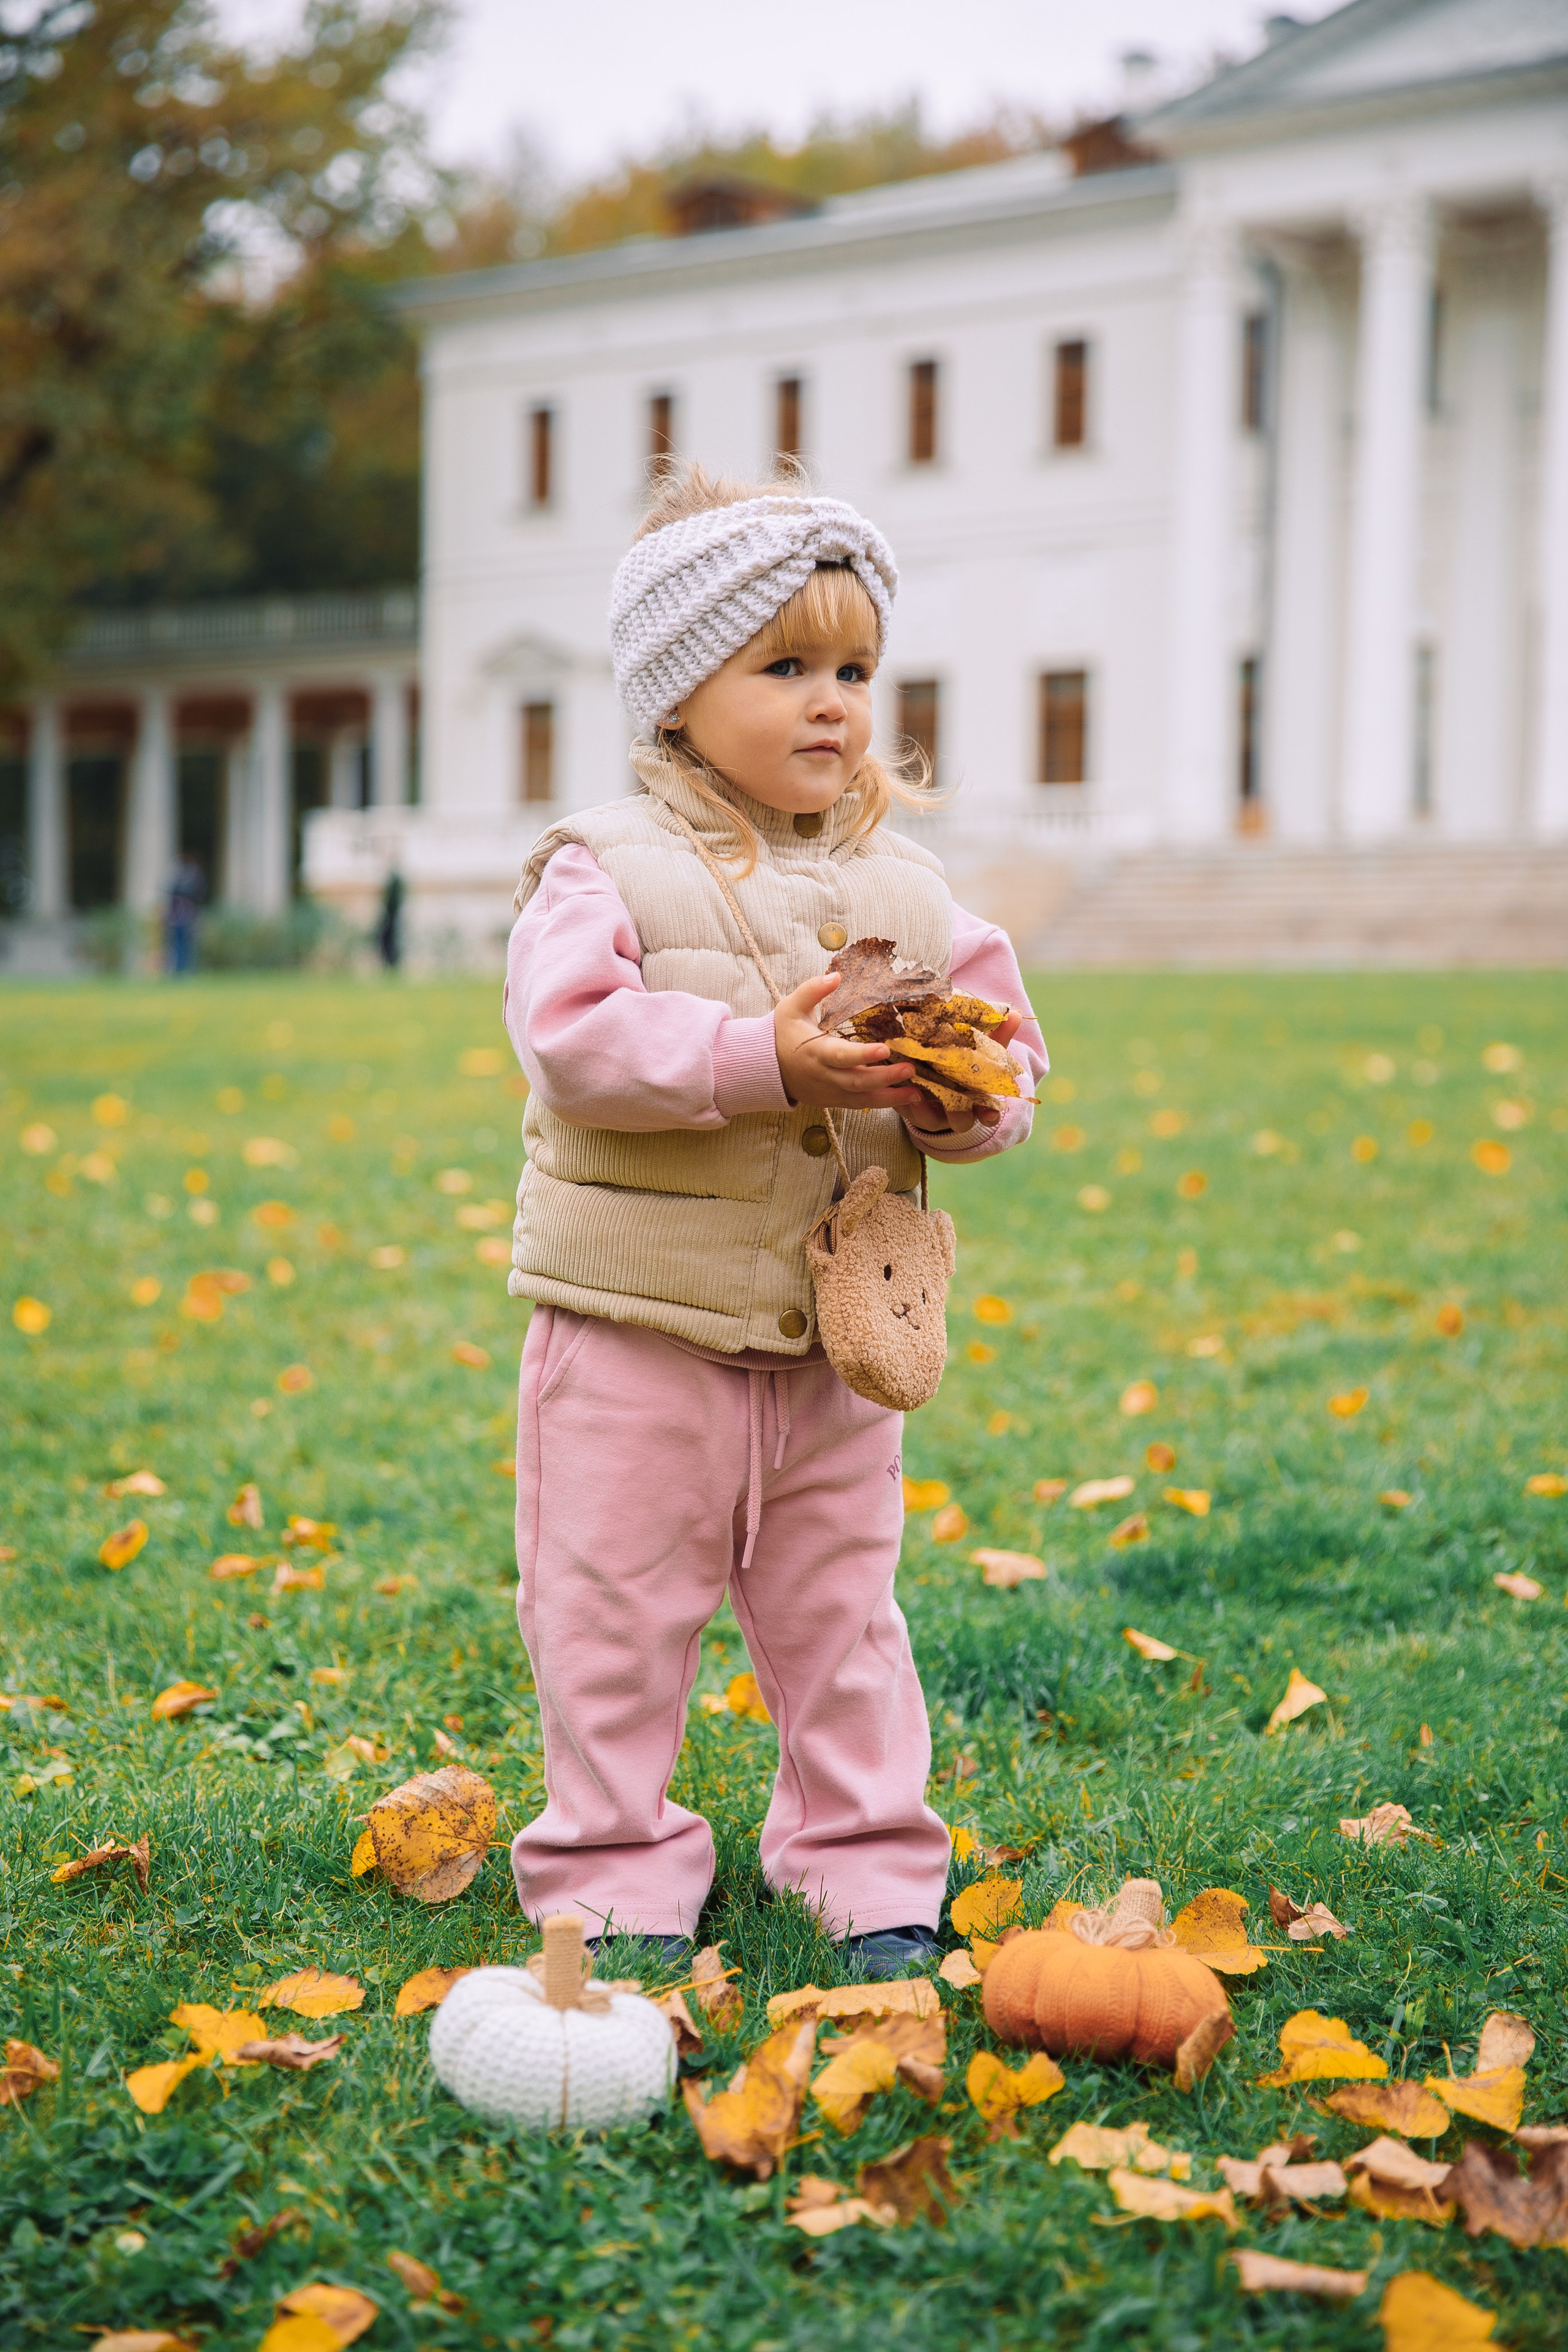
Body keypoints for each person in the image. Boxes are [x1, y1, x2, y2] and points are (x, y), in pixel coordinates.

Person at [502, 464, 1047, 1977]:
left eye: (855, 668)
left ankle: (864, 1867)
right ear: (679, 691)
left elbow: (1006, 1046)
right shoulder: (601, 865)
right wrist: (761, 1057)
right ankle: (612, 1872)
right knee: (611, 1614)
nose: (833, 703)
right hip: (636, 1334)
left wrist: (967, 1103)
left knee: (841, 1614)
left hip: (831, 1347)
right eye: (786, 665)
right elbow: (572, 1041)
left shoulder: (913, 886)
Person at [165, 855, 205, 974]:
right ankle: (179, 969)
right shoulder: (185, 882)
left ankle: (185, 969)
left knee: (186, 945)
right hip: (178, 919)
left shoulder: (189, 882)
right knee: (177, 945)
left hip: (185, 918)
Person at [377, 869, 404, 968]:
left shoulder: (395, 881)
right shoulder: (392, 880)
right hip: (389, 916)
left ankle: (392, 962)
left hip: (392, 916)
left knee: (391, 942)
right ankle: (389, 962)